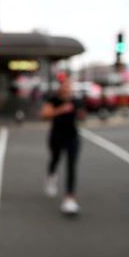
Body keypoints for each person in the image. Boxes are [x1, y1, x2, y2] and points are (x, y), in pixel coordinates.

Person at [40, 77, 86, 214]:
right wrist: (61, 109)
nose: (67, 88)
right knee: (55, 159)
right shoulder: (53, 100)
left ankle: (69, 198)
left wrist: (81, 111)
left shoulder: (77, 101)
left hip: (72, 137)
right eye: (65, 86)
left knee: (71, 166)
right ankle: (51, 176)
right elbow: (44, 115)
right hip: (56, 136)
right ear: (60, 87)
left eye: (69, 86)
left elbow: (82, 117)